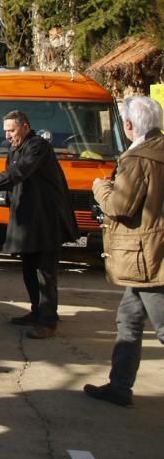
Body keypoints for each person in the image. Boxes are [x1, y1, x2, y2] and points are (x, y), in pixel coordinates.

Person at [0, 109, 78, 339]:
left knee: (45, 273)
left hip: (46, 219)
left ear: (25, 126)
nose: (8, 135)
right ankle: (36, 312)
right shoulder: (15, 147)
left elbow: (18, 172)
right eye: (5, 131)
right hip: (26, 220)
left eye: (12, 130)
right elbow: (10, 178)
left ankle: (48, 321)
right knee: (28, 270)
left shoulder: (37, 146)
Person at [84, 96, 163, 407]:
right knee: (128, 318)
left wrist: (100, 187)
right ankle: (119, 387)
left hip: (148, 256)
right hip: (147, 254)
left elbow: (120, 205)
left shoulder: (138, 159)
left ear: (128, 126)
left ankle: (119, 387)